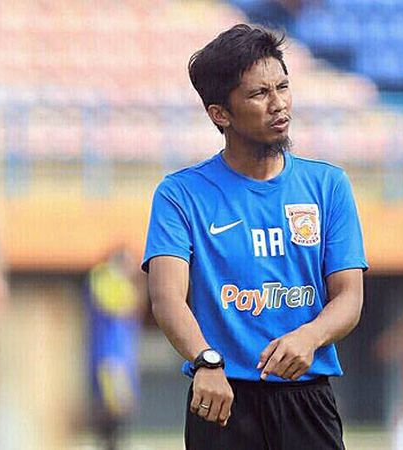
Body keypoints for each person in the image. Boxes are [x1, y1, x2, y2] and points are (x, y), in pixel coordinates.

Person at [142, 24, 367, 449]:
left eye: (283, 87)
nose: (279, 104)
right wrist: (205, 361)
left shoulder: (328, 186)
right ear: (219, 114)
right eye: (259, 94)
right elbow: (166, 298)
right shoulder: (180, 195)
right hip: (220, 395)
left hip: (308, 397)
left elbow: (349, 297)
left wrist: (309, 336)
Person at [85, 247, 143, 450]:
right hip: (109, 355)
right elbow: (120, 304)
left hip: (121, 355)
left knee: (121, 408)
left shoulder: (117, 281)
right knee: (110, 407)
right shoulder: (104, 278)